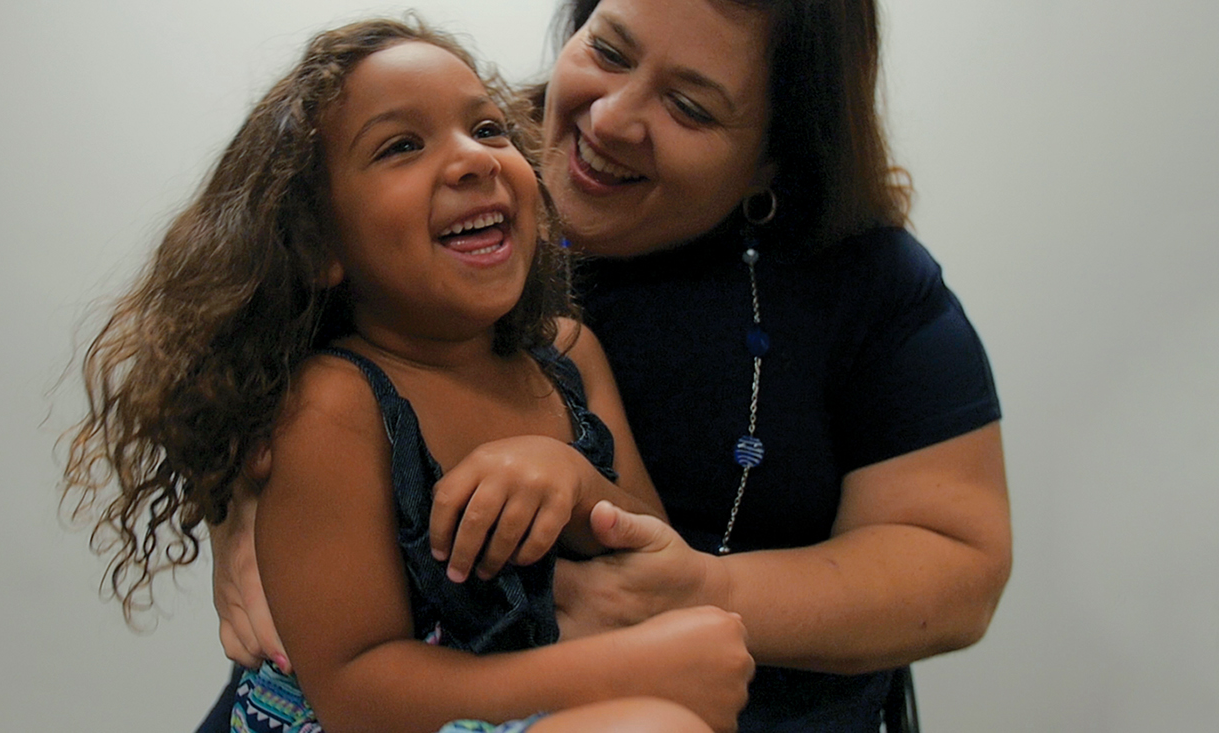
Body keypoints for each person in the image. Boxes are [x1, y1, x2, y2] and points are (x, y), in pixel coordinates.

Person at [205, 0, 1012, 731]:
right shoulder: (467, 156)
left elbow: (957, 562)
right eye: (611, 51)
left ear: (776, 160)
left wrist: (695, 592)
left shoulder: (859, 280)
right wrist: (242, 484)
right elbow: (229, 321)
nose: (612, 118)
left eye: (691, 106)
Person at [63, 16, 755, 733]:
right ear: (317, 244)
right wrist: (621, 670)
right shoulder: (335, 406)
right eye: (401, 146)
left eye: (488, 130)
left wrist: (575, 483)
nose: (473, 160)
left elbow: (655, 562)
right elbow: (358, 692)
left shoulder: (570, 357)